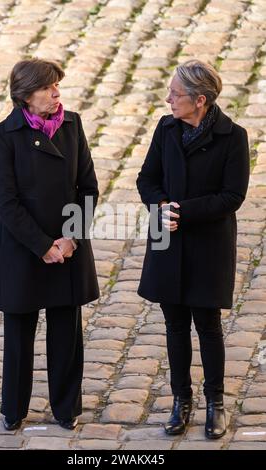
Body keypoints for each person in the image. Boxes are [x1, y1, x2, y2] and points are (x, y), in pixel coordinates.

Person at [136, 60, 250, 439]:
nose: (168, 99)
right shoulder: (166, 129)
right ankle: (180, 400)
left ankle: (215, 401)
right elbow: (146, 178)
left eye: (176, 94)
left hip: (207, 246)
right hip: (168, 241)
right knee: (174, 325)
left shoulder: (233, 137)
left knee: (207, 325)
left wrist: (181, 212)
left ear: (199, 100)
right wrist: (160, 205)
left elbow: (232, 196)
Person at [0, 58, 99, 431]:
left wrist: (70, 238)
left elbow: (87, 187)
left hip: (67, 246)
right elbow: (7, 202)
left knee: (66, 331)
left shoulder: (72, 124)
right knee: (19, 332)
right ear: (25, 96)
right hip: (24, 249)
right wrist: (43, 245)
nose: (56, 93)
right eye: (47, 88)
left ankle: (66, 408)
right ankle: (14, 409)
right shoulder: (3, 136)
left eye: (57, 86)